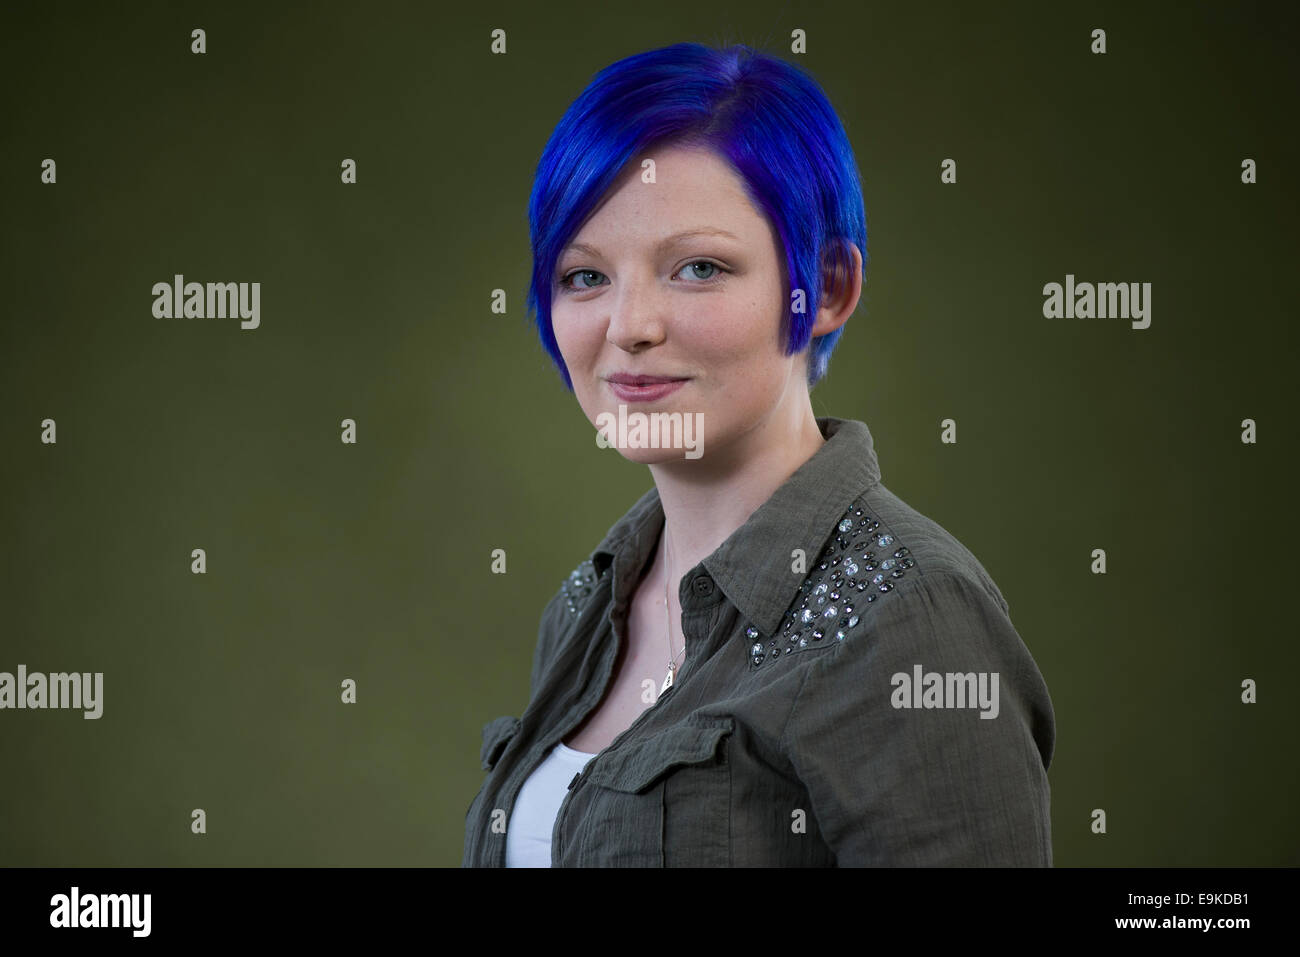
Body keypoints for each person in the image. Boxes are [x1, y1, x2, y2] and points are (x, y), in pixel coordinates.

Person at [462, 41, 1055, 867]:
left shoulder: (909, 619)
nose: (629, 325)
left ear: (830, 289)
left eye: (698, 267)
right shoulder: (583, 609)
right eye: (584, 276)